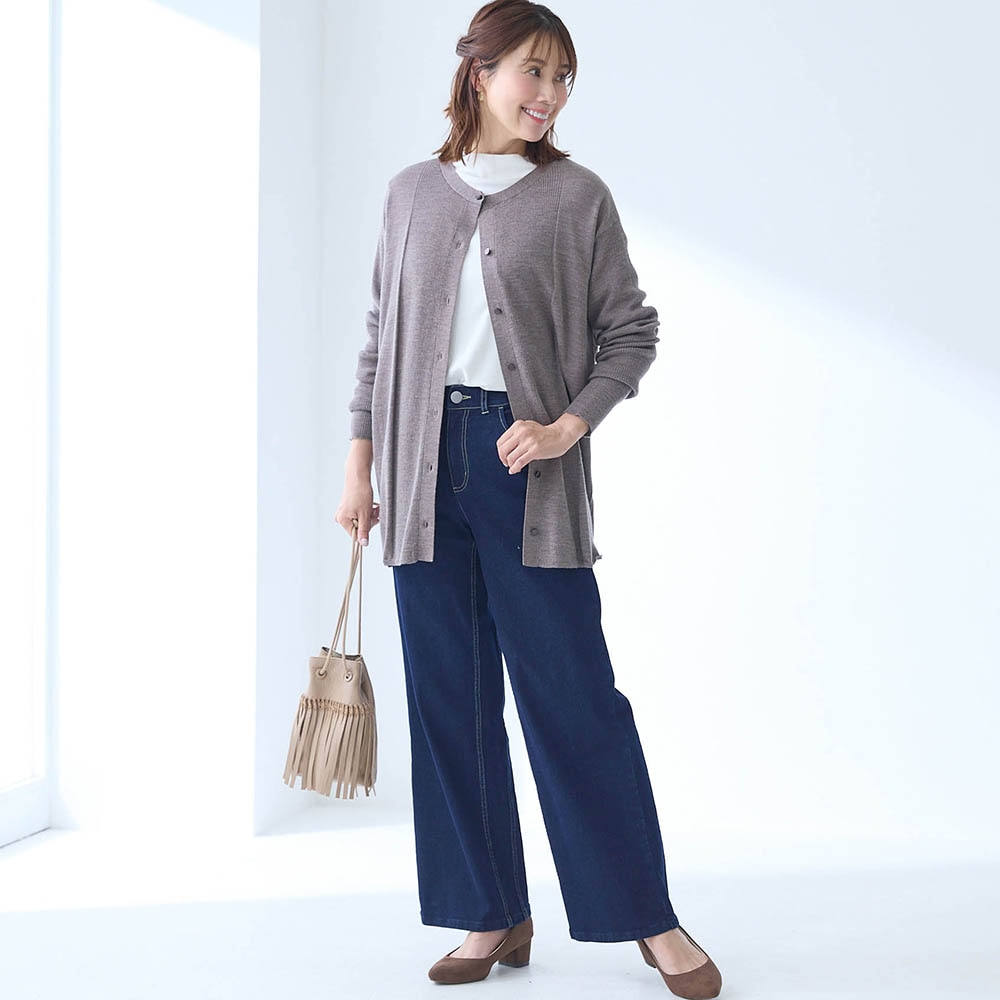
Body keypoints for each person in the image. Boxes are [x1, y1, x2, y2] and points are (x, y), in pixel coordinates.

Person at [335, 2, 723, 995]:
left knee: (574, 699)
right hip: (419, 475)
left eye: (562, 78)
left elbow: (630, 332)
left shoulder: (577, 197)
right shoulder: (411, 193)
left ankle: (647, 917)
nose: (548, 94)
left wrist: (564, 427)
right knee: (449, 702)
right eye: (532, 72)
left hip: (525, 475)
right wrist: (359, 468)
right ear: (480, 72)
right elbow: (378, 337)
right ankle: (490, 911)